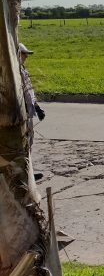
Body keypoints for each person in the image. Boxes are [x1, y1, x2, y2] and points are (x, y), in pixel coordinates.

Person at [19, 43, 45, 180]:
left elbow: (29, 92)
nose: (26, 56)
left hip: (29, 113)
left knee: (29, 142)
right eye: (24, 54)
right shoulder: (14, 73)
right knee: (22, 144)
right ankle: (23, 173)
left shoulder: (23, 70)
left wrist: (37, 107)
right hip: (20, 115)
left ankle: (28, 172)